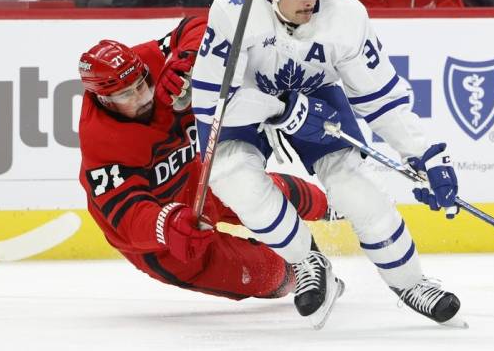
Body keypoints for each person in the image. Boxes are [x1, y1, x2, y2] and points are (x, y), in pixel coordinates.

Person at [191, 0, 464, 328]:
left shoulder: (346, 15)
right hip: (246, 102)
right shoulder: (235, 6)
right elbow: (212, 103)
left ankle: (411, 283)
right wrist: (281, 109)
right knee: (234, 178)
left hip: (316, 94)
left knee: (354, 186)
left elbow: (381, 97)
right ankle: (307, 261)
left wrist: (423, 154)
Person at [77, 15, 333, 303]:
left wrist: (187, 60)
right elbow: (127, 216)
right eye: (127, 94)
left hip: (197, 179)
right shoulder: (101, 140)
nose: (143, 96)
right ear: (104, 100)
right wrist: (166, 224)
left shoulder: (149, 59)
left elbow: (203, 26)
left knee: (255, 189)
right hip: (169, 239)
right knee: (262, 274)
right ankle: (303, 276)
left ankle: (333, 204)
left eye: (142, 83)